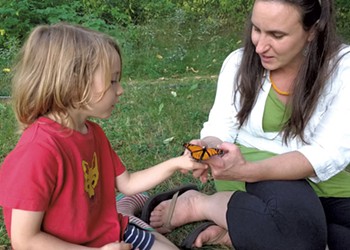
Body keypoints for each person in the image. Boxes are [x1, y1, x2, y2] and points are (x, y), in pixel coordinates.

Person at [144, 0, 350, 249]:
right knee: (300, 239)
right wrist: (207, 146)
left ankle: (240, 230)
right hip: (257, 174)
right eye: (256, 29)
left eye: (277, 35)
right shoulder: (238, 63)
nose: (261, 46)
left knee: (320, 237)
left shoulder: (342, 69)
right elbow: (220, 128)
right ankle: (202, 204)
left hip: (325, 183)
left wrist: (245, 170)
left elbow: (326, 153)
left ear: (313, 30)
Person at [0, 23, 207, 250]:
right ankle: (131, 210)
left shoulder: (93, 133)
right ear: (72, 81)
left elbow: (127, 182)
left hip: (111, 233)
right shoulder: (37, 151)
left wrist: (177, 163)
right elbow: (25, 240)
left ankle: (129, 211)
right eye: (112, 81)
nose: (119, 90)